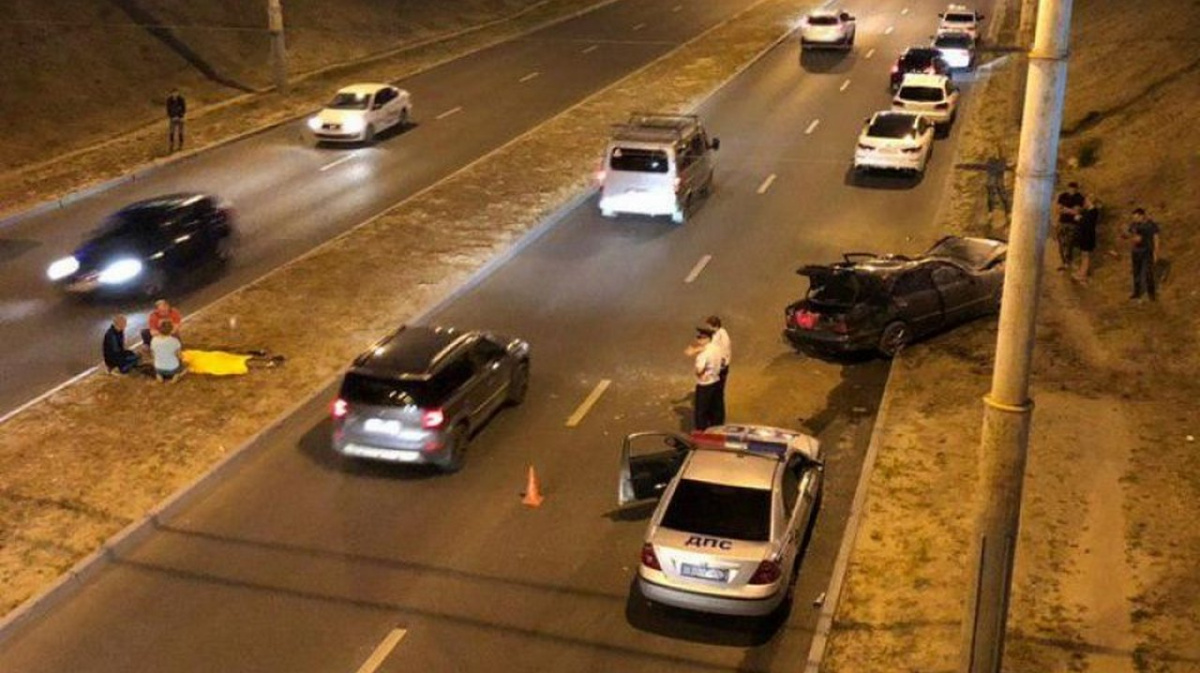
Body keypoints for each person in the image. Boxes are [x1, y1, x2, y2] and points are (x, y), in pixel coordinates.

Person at [685, 326, 722, 432]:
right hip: (716, 380)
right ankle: (717, 429)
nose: (697, 340)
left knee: (701, 411)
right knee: (715, 409)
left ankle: (701, 432)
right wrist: (695, 350)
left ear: (707, 339)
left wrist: (698, 372)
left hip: (705, 384)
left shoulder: (702, 355)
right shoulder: (716, 348)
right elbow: (708, 348)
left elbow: (699, 370)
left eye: (700, 337)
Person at [1124, 207, 1161, 301]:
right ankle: (1137, 293)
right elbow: (1128, 234)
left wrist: (1156, 253)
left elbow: (1156, 239)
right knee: (1136, 273)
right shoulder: (1134, 225)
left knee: (1148, 273)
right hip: (1136, 252)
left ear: (1142, 216)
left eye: (1136, 217)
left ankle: (1151, 294)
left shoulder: (1151, 225)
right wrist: (1128, 236)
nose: (1135, 220)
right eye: (1133, 218)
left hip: (1147, 251)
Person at [705, 315, 731, 426]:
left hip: (720, 369)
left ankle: (718, 421)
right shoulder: (717, 334)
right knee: (715, 394)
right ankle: (713, 418)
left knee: (718, 394)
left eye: (708, 326)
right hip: (717, 368)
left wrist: (719, 367)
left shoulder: (722, 336)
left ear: (713, 325)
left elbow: (724, 354)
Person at [181, 349, 285, 376]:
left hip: (214, 359)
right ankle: (269, 363)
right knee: (241, 362)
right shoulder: (183, 357)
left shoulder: (183, 354)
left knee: (241, 359)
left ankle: (268, 361)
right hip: (214, 363)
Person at [1055, 182, 1085, 270]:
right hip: (1062, 222)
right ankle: (1064, 263)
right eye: (1070, 188)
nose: (1072, 190)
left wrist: (1064, 209)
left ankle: (1068, 262)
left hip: (1072, 224)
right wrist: (1069, 210)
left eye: (1073, 188)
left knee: (1069, 243)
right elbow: (1058, 209)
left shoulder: (1079, 197)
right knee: (1061, 244)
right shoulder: (1062, 196)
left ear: (1076, 189)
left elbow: (1077, 212)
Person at [1073, 197, 1101, 282]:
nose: (1085, 202)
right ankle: (1081, 271)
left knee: (1086, 255)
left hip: (1088, 236)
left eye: (1086, 201)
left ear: (1090, 201)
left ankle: (1083, 274)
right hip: (1084, 235)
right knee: (1083, 255)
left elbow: (1087, 223)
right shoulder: (1088, 211)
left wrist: (1079, 219)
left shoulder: (1093, 211)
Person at [166, 88, 187, 152]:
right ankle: (171, 144)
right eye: (173, 93)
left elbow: (184, 108)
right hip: (173, 118)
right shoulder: (169, 100)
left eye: (176, 93)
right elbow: (168, 110)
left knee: (180, 131)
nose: (175, 94)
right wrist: (172, 117)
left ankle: (181, 144)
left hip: (180, 117)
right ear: (172, 93)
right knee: (171, 131)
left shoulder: (181, 99)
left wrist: (181, 116)